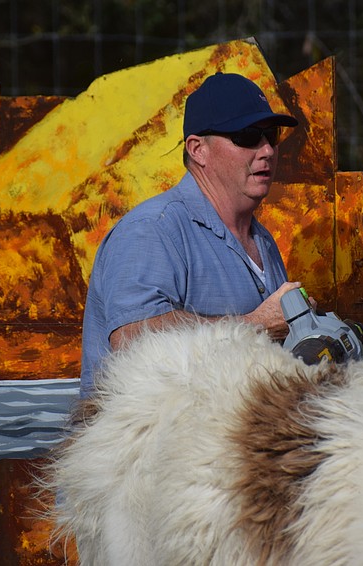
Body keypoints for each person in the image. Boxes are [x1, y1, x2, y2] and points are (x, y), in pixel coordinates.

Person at [79, 72, 303, 397]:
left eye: (271, 135)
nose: (267, 149)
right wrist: (256, 325)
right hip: (147, 444)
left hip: (227, 439)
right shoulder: (152, 229)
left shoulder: (263, 240)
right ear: (198, 150)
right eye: (248, 136)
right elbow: (132, 341)